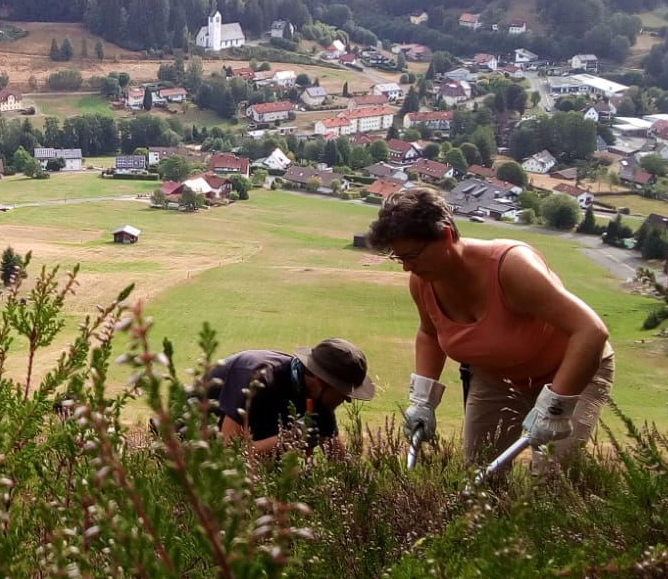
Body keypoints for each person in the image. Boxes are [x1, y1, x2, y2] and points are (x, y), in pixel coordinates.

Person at [367, 186, 614, 470]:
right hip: (497, 378)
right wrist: (422, 401)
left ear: (445, 236)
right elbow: (430, 333)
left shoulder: (511, 267)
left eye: (413, 255)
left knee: (553, 474)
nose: (407, 268)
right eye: (399, 258)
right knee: (480, 470)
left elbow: (591, 331)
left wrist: (556, 406)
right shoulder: (423, 282)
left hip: (573, 372)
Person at [197, 338, 377, 456]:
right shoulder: (255, 378)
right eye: (343, 391)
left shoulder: (318, 400)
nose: (348, 400)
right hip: (193, 447)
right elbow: (229, 455)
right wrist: (287, 440)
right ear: (322, 382)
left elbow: (340, 462)